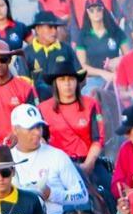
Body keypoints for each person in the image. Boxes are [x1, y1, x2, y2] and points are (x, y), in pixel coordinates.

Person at [9, 101, 92, 214]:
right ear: (15, 129)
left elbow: (82, 196)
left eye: (39, 127)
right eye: (30, 128)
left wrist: (51, 194)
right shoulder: (7, 158)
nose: (37, 133)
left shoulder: (57, 156)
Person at [38, 65, 107, 194]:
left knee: (109, 193)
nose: (67, 84)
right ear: (55, 83)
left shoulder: (91, 104)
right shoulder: (43, 108)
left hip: (87, 161)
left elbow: (98, 138)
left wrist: (88, 164)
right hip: (57, 165)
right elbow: (42, 139)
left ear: (77, 82)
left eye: (71, 79)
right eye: (62, 80)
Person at [22, 11, 78, 102]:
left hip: (65, 99)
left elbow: (79, 74)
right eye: (50, 27)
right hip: (38, 102)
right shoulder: (26, 53)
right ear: (38, 29)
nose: (54, 31)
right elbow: (24, 83)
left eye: (55, 27)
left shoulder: (66, 49)